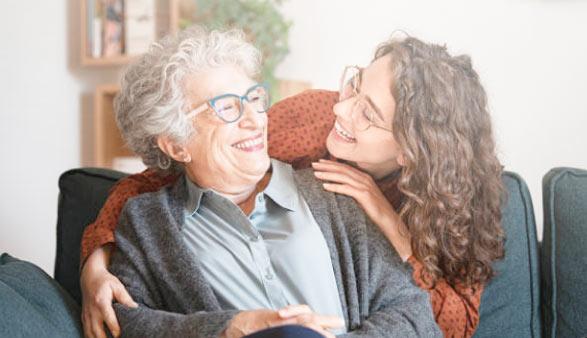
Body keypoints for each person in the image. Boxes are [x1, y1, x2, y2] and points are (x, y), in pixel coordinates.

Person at [81, 33, 504, 338]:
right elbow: (150, 183)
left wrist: (393, 228)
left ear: (409, 152)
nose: (341, 108)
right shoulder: (313, 124)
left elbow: (432, 320)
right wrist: (94, 263)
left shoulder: (350, 202)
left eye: (368, 114)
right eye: (227, 106)